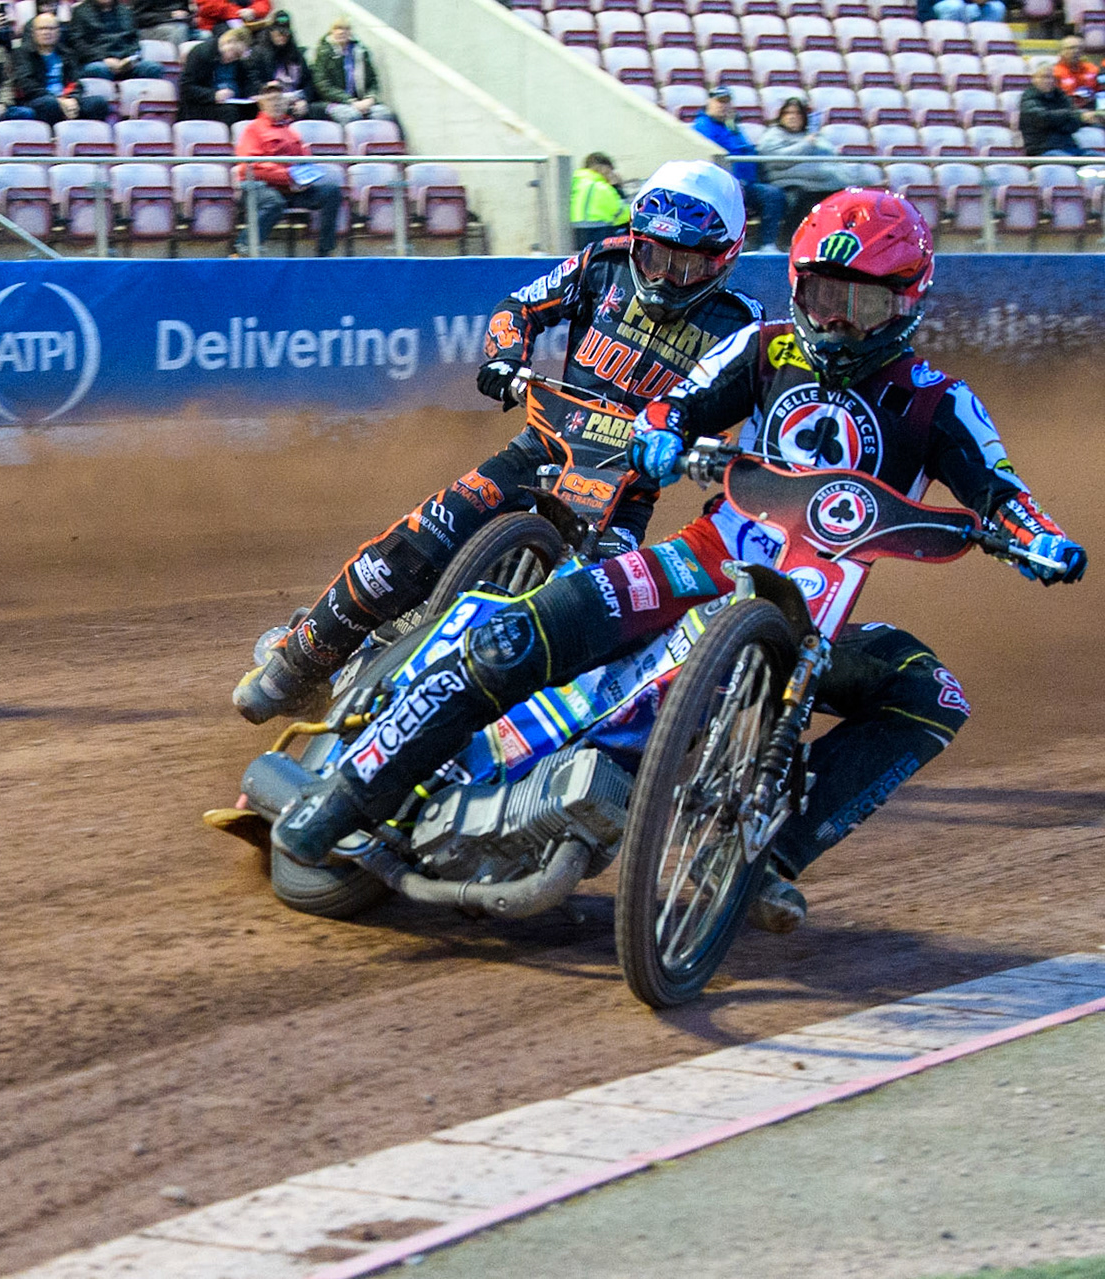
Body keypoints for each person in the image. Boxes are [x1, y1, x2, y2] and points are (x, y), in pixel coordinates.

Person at [263, 188, 1087, 937]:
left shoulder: (941, 402)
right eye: (823, 298)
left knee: (931, 693)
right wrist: (660, 433)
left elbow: (1001, 494)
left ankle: (770, 856)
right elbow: (678, 401)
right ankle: (351, 791)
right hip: (705, 556)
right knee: (527, 631)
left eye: (861, 302)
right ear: (799, 288)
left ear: (905, 302)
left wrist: (1037, 539)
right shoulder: (763, 349)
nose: (836, 320)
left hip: (817, 618)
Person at [233, 161, 760, 722]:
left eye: (684, 263)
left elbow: (755, 427)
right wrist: (506, 356)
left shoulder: (742, 328)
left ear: (723, 258)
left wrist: (723, 462)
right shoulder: (602, 263)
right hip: (538, 449)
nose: (662, 277)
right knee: (415, 542)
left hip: (626, 491)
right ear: (636, 242)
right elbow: (521, 307)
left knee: (595, 620)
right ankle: (295, 666)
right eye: (654, 256)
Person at [234, 79, 342, 257]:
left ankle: (325, 250)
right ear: (261, 103)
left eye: (279, 99)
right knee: (274, 201)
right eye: (271, 100)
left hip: (290, 189)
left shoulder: (290, 130)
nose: (276, 103)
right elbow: (250, 166)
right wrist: (288, 176)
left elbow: (304, 158)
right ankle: (245, 245)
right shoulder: (253, 130)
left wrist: (306, 179)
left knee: (331, 193)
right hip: (259, 188)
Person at [693, 85, 784, 249]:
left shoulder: (733, 127)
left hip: (744, 184)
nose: (723, 106)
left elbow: (747, 151)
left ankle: (767, 244)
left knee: (773, 195)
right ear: (709, 103)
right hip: (718, 186)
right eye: (719, 102)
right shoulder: (702, 126)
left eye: (727, 102)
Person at [757, 96, 856, 234]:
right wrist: (806, 145)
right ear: (781, 116)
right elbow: (778, 161)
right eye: (788, 113)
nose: (793, 117)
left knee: (841, 199)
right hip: (790, 185)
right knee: (804, 198)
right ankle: (792, 240)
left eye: (797, 113)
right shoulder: (772, 136)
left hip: (822, 183)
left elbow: (830, 156)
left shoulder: (814, 136)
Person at [11, 11, 109, 125]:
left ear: (58, 32)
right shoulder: (22, 53)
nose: (46, 32)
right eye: (42, 29)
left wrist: (73, 99)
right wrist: (58, 100)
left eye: (51, 29)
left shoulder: (66, 53)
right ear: (33, 33)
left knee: (98, 103)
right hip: (38, 100)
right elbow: (26, 84)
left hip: (66, 99)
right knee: (50, 104)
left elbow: (75, 82)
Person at [310, 14, 392, 125]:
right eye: (338, 28)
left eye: (346, 29)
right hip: (334, 102)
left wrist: (370, 99)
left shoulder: (361, 52)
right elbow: (322, 85)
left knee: (384, 114)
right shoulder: (324, 53)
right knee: (351, 116)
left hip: (361, 101)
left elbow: (373, 80)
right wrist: (349, 101)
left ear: (351, 32)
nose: (342, 32)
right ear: (332, 31)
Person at [246, 11, 319, 120]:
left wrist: (305, 100)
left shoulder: (296, 54)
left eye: (285, 33)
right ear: (270, 32)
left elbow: (308, 82)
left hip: (295, 98)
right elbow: (251, 81)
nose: (282, 36)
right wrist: (266, 87)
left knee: (317, 111)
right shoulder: (258, 53)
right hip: (272, 101)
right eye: (278, 33)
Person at [176, 24, 254, 124]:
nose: (234, 58)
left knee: (257, 109)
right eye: (234, 53)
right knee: (230, 112)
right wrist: (214, 95)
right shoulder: (201, 53)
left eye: (238, 56)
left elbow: (249, 81)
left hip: (234, 101)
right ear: (228, 42)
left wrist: (253, 93)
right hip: (203, 105)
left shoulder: (240, 61)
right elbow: (186, 88)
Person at [1021, 59, 1100, 156]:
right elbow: (1042, 118)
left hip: (1068, 146)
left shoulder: (1061, 97)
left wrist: (1060, 120)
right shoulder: (1028, 98)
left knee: (1095, 157)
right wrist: (1067, 117)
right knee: (1067, 160)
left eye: (1053, 78)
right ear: (1034, 79)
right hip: (1042, 150)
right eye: (1044, 77)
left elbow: (1073, 124)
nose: (1049, 81)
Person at [70, 0, 162, 83]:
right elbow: (78, 44)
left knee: (152, 68)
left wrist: (129, 59)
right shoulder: (80, 12)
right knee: (99, 69)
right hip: (97, 61)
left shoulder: (125, 12)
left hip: (124, 62)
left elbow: (134, 41)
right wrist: (103, 59)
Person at [568, 151, 628, 249]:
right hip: (599, 236)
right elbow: (624, 215)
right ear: (601, 168)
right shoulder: (602, 188)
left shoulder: (575, 182)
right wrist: (618, 187)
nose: (611, 174)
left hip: (576, 238)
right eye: (609, 171)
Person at [1053, 35, 1098, 110]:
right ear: (1061, 51)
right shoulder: (1053, 72)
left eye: (1079, 48)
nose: (1076, 51)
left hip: (1092, 110)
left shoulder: (1092, 69)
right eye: (1071, 48)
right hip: (1066, 112)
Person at [193, 0, 266, 33]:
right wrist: (240, 13)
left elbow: (263, 4)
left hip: (248, 22)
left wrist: (254, 11)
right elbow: (211, 7)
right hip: (215, 25)